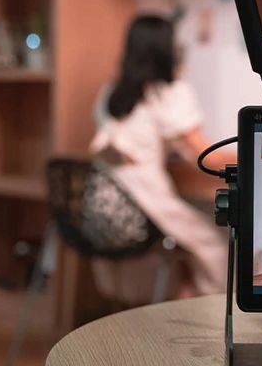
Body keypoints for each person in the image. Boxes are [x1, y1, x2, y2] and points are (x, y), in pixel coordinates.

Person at [89, 15, 233, 301]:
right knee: (215, 247)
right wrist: (255, 156)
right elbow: (205, 155)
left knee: (184, 241)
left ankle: (184, 294)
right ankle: (205, 311)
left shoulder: (111, 93)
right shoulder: (168, 92)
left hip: (99, 206)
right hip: (138, 204)